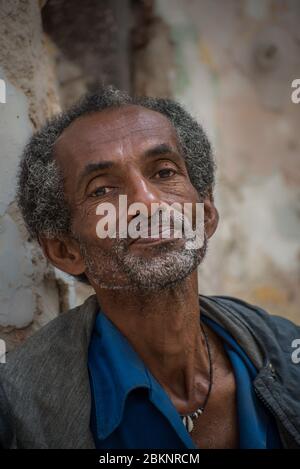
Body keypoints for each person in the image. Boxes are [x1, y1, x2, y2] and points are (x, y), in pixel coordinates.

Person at [0, 87, 299, 449]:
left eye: (164, 171)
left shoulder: (286, 353)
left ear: (205, 214)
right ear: (65, 250)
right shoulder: (21, 409)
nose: (148, 201)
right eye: (102, 190)